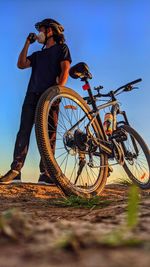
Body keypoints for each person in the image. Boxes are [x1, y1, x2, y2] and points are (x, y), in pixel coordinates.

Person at [0, 18, 72, 184]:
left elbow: (65, 70)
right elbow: (21, 64)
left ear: (51, 31)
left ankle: (46, 173)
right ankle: (15, 170)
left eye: (42, 29)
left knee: (49, 134)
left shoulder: (62, 48)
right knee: (23, 131)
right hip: (32, 94)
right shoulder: (38, 55)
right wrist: (27, 43)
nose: (39, 32)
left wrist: (57, 91)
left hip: (50, 95)